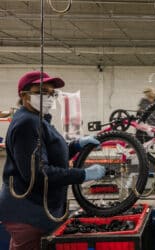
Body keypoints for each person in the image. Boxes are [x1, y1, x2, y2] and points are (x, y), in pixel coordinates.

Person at [0, 71, 106, 250]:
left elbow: (51, 153)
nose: (48, 97)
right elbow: (38, 174)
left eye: (51, 93)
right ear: (24, 95)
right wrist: (83, 174)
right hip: (28, 212)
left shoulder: (38, 120)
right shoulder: (27, 123)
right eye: (41, 91)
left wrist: (76, 145)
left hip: (37, 209)